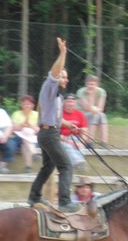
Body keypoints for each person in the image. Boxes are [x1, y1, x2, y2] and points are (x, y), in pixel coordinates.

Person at [28, 37, 82, 212]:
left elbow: (55, 119)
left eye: (67, 78)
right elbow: (54, 72)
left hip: (48, 133)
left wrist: (69, 124)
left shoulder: (58, 97)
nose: (66, 80)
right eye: (64, 77)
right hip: (49, 135)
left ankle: (34, 196)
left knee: (48, 166)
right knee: (66, 166)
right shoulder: (49, 86)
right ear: (57, 77)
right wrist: (63, 53)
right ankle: (65, 202)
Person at [11, 94, 39, 173]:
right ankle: (33, 153)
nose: (27, 105)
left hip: (33, 138)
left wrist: (30, 125)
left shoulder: (36, 115)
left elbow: (38, 130)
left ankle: (28, 167)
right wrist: (21, 125)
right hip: (18, 137)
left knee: (25, 140)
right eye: (25, 103)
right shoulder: (16, 114)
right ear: (21, 105)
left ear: (33, 105)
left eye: (29, 104)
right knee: (25, 136)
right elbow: (13, 129)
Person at [77, 74, 108, 145]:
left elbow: (101, 108)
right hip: (81, 114)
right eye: (88, 84)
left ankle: (104, 142)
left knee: (102, 115)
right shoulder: (81, 92)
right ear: (86, 84)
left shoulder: (101, 92)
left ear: (97, 85)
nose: (90, 86)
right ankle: (90, 141)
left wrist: (95, 110)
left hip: (95, 113)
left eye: (92, 84)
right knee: (95, 115)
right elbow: (86, 108)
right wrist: (91, 95)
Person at [60, 93, 88, 170]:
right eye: (68, 101)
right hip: (62, 138)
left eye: (72, 101)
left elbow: (85, 132)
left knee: (80, 147)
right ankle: (79, 162)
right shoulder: (59, 114)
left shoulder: (80, 114)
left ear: (75, 103)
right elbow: (54, 133)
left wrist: (81, 142)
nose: (70, 103)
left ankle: (77, 165)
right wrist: (67, 140)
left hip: (77, 138)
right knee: (68, 147)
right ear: (64, 102)